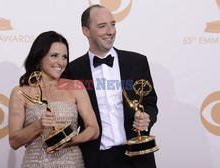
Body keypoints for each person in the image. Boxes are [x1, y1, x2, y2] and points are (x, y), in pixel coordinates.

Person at [67, 4, 158, 168]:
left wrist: (147, 118)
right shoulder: (72, 70)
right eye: (102, 26)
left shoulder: (137, 62)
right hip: (96, 159)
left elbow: (150, 102)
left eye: (113, 24)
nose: (110, 31)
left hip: (138, 157)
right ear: (86, 31)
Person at [8, 31, 99, 168]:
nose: (61, 62)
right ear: (39, 56)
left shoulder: (75, 87)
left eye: (64, 57)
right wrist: (38, 125)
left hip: (72, 162)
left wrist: (69, 141)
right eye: (54, 56)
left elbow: (93, 129)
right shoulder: (20, 92)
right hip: (35, 163)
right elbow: (14, 142)